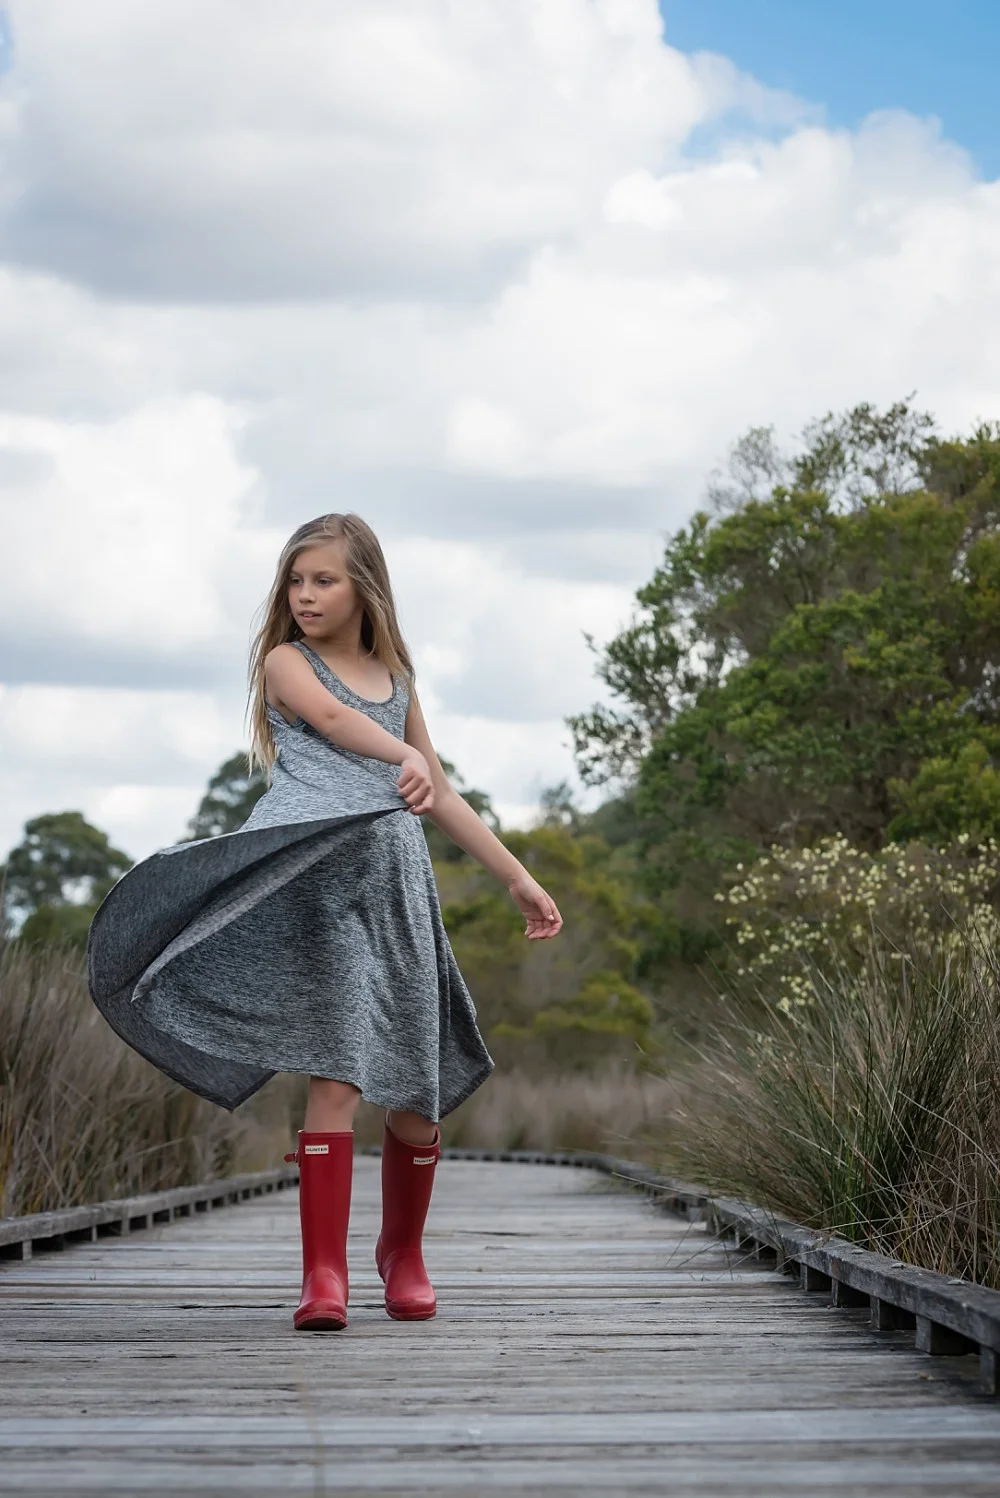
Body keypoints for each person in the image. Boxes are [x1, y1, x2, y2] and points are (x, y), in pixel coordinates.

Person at [87, 512, 563, 1332]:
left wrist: (517, 876)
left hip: (395, 895)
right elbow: (342, 725)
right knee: (337, 1077)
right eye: (296, 581)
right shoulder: (286, 664)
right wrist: (400, 756)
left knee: (416, 1089)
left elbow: (441, 796)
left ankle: (402, 1256)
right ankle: (324, 1276)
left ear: (364, 587)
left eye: (324, 581)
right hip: (316, 896)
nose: (305, 596)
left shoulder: (398, 678)